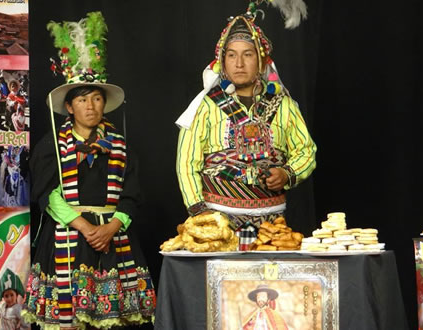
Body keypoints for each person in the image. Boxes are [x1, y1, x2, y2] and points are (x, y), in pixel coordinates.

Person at [22, 12, 155, 329]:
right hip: (69, 237)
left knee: (114, 321)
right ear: (69, 107)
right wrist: (84, 226)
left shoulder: (120, 147)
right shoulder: (51, 146)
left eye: (97, 99)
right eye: (83, 100)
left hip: (113, 239)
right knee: (70, 322)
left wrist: (111, 227)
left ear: (105, 104)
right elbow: (46, 194)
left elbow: (132, 195)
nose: (91, 106)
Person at [175, 1, 316, 250]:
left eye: (247, 54)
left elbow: (306, 151)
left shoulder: (283, 104)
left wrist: (287, 173)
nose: (239, 63)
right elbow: (187, 163)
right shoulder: (206, 106)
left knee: (269, 286)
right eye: (232, 55)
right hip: (218, 224)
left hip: (272, 228)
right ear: (223, 62)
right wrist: (200, 215)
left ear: (261, 62)